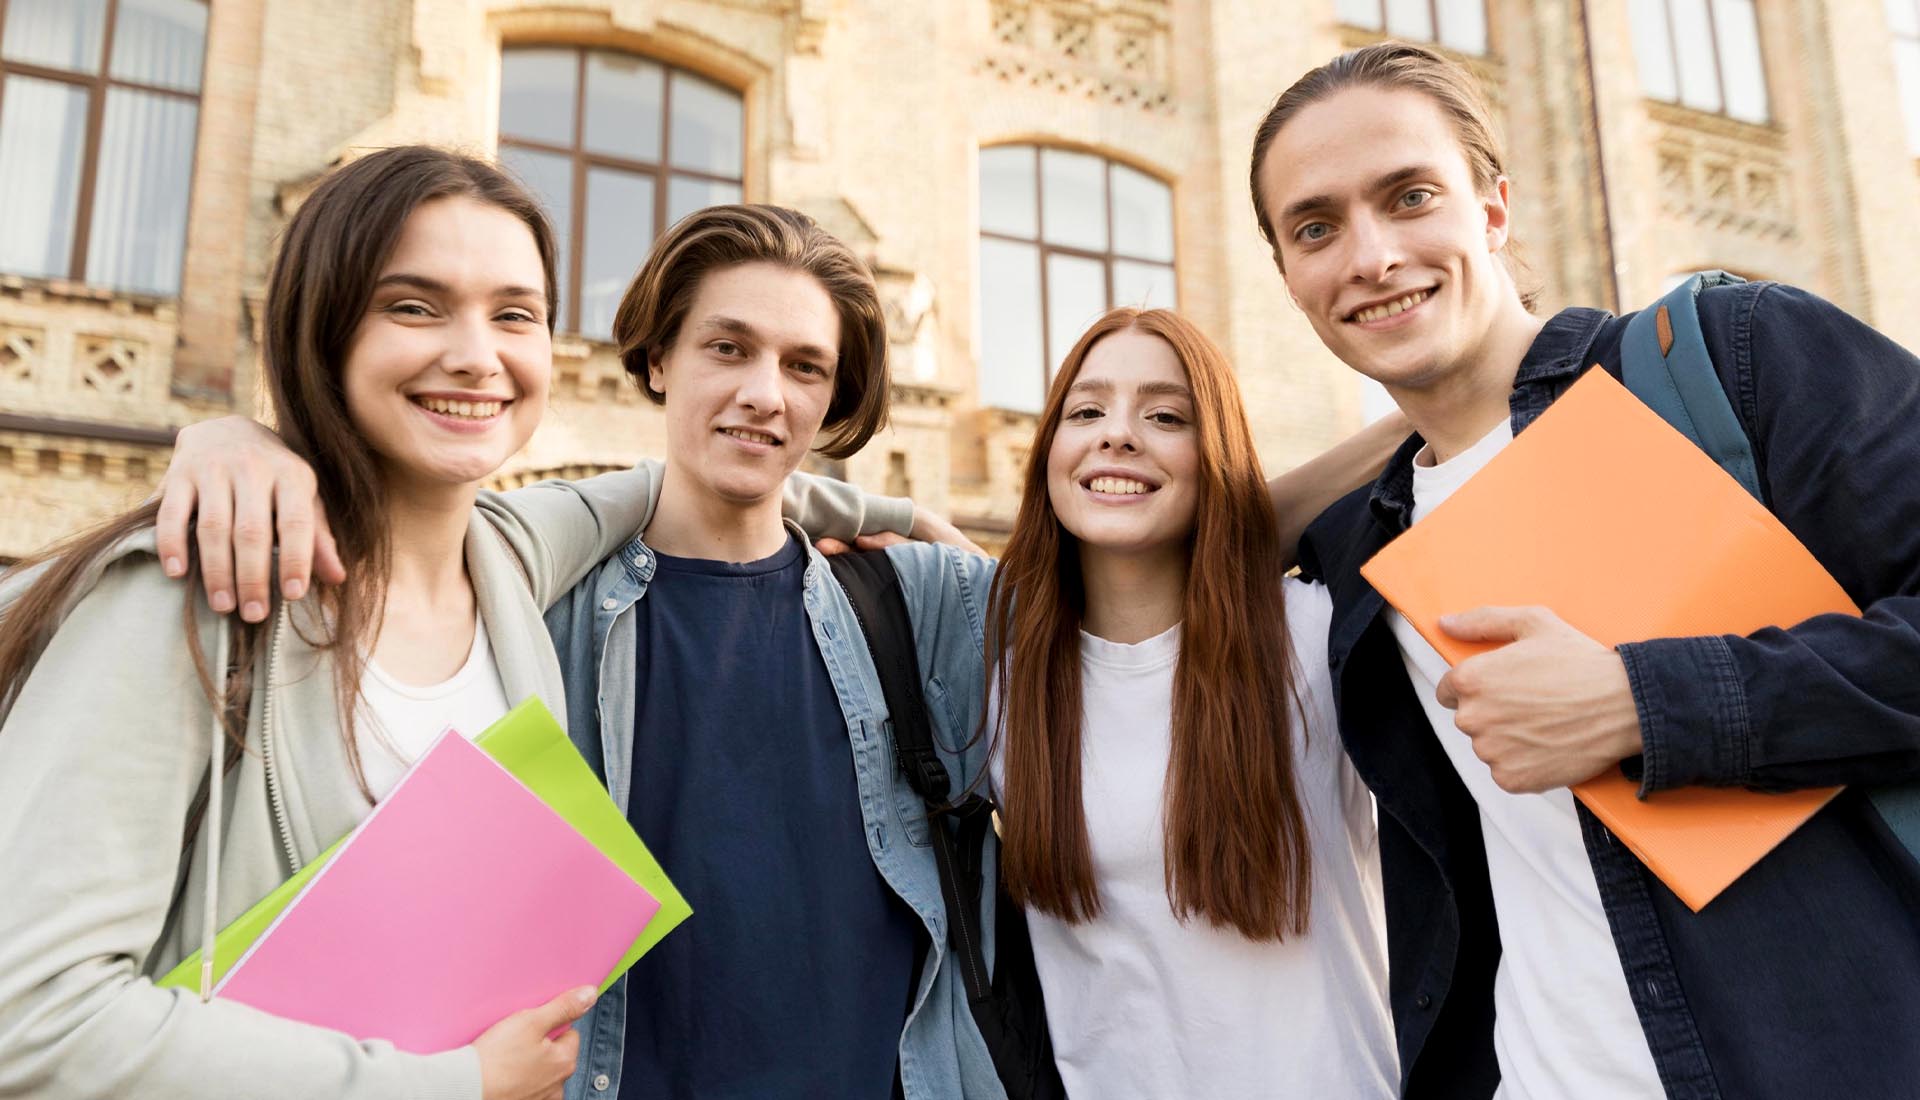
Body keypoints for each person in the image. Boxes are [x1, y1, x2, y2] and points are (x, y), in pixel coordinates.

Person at [1249, 40, 1920, 1099]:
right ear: (1287, 274)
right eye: (1316, 227)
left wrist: (1645, 702)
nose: (1370, 255)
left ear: (1496, 209)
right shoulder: (1358, 548)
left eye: (1411, 195)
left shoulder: (1731, 364)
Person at [0, 145, 650, 1100]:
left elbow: (687, 478)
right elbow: (31, 1016)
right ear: (324, 327)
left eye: (516, 314)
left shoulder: (514, 561)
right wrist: (452, 1085)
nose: (477, 354)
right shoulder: (188, 592)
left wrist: (903, 527)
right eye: (413, 306)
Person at [985, 306, 1395, 1097]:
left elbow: (1448, 426)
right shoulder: (1003, 688)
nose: (1118, 435)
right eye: (1087, 411)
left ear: (1216, 455)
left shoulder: (1317, 638)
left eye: (1166, 415)